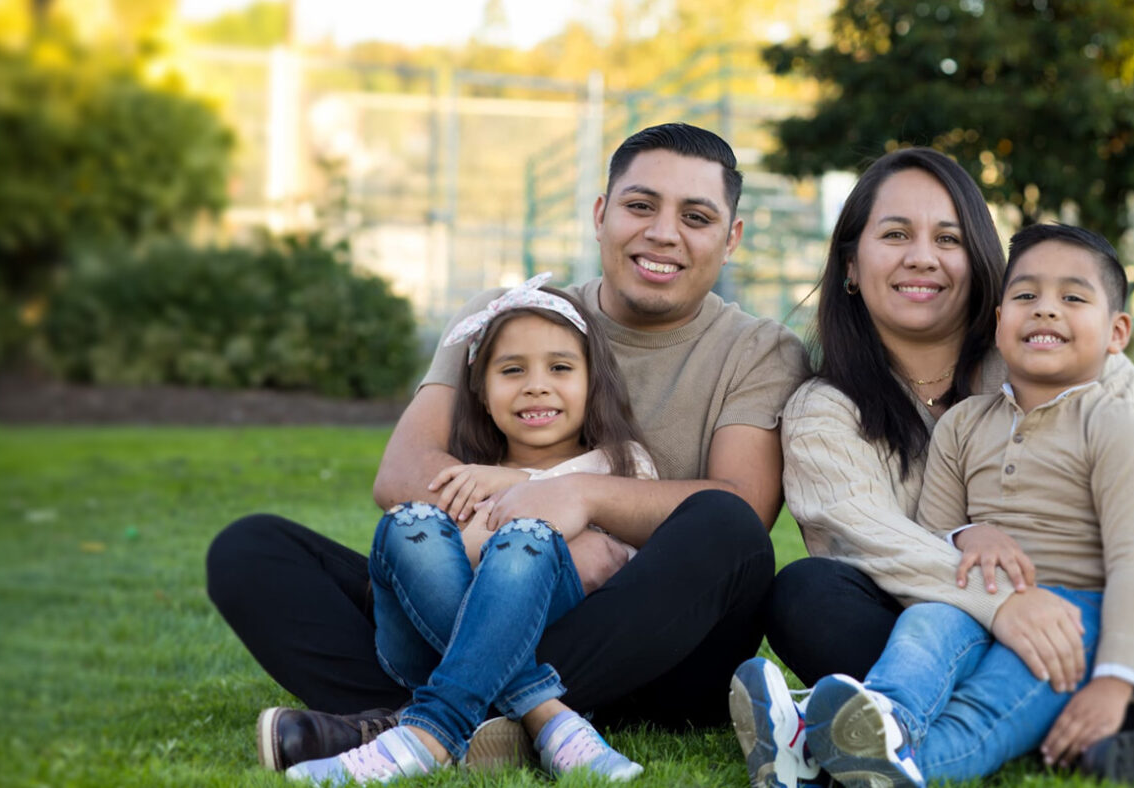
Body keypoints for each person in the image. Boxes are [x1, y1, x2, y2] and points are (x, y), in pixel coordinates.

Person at [209, 123, 808, 773]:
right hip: (478, 585)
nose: (663, 232)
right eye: (641, 206)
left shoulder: (761, 349)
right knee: (252, 551)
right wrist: (523, 511)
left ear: (732, 238)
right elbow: (404, 473)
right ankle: (520, 718)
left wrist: (577, 496)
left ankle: (410, 718)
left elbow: (741, 507)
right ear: (602, 215)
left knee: (726, 530)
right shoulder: (506, 316)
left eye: (696, 216)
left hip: (645, 640)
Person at [740, 213, 1134, 786]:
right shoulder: (967, 423)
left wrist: (1115, 680)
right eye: (1027, 295)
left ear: (1116, 334)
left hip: (1075, 613)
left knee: (995, 706)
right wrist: (971, 535)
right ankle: (887, 719)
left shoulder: (1116, 422)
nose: (1046, 309)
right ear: (1000, 322)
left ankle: (866, 765)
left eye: (1073, 297)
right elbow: (935, 529)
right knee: (924, 628)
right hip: (978, 593)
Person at [287, 281, 649, 784]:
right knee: (407, 525)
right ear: (480, 389)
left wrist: (518, 486)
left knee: (527, 539)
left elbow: (616, 561)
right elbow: (450, 555)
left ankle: (427, 734)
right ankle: (546, 714)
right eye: (512, 369)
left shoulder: (619, 465)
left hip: (555, 641)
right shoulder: (467, 473)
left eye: (561, 368)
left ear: (595, 381)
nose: (536, 385)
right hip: (427, 647)